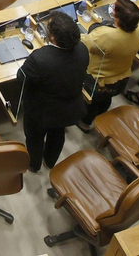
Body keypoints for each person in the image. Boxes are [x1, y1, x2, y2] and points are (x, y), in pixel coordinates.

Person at [19, 12, 88, 173]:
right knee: (57, 135)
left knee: (34, 138)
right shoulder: (82, 49)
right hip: (68, 109)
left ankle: (34, 165)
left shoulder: (40, 58)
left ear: (52, 38)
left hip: (41, 111)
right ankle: (50, 162)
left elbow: (21, 78)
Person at [83, 0, 139, 119]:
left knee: (91, 104)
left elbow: (83, 43)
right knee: (105, 100)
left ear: (117, 17)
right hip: (120, 81)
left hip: (99, 83)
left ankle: (86, 122)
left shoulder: (105, 35)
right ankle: (101, 114)